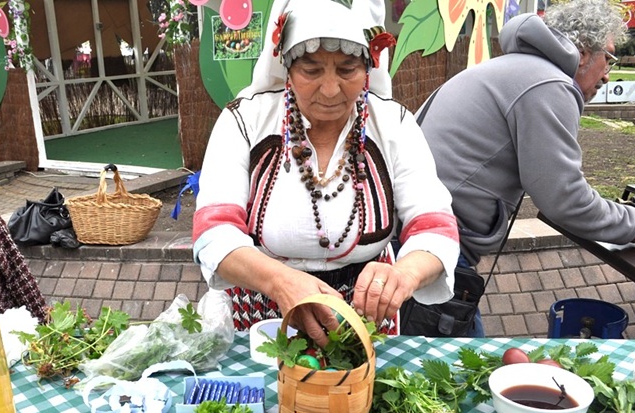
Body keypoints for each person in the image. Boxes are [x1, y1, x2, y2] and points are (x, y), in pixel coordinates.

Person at [192, 0, 459, 344]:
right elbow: (214, 233)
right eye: (311, 71)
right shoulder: (245, 122)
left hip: (364, 315)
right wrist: (280, 282)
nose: (331, 90)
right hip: (262, 311)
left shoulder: (394, 125)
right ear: (286, 67)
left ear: (367, 69)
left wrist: (404, 275)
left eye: (347, 70)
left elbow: (435, 226)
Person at [416, 0, 635, 337]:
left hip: (422, 235)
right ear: (583, 52)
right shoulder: (549, 83)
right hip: (437, 245)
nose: (609, 73)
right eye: (608, 57)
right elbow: (565, 199)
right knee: (464, 370)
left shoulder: (518, 67)